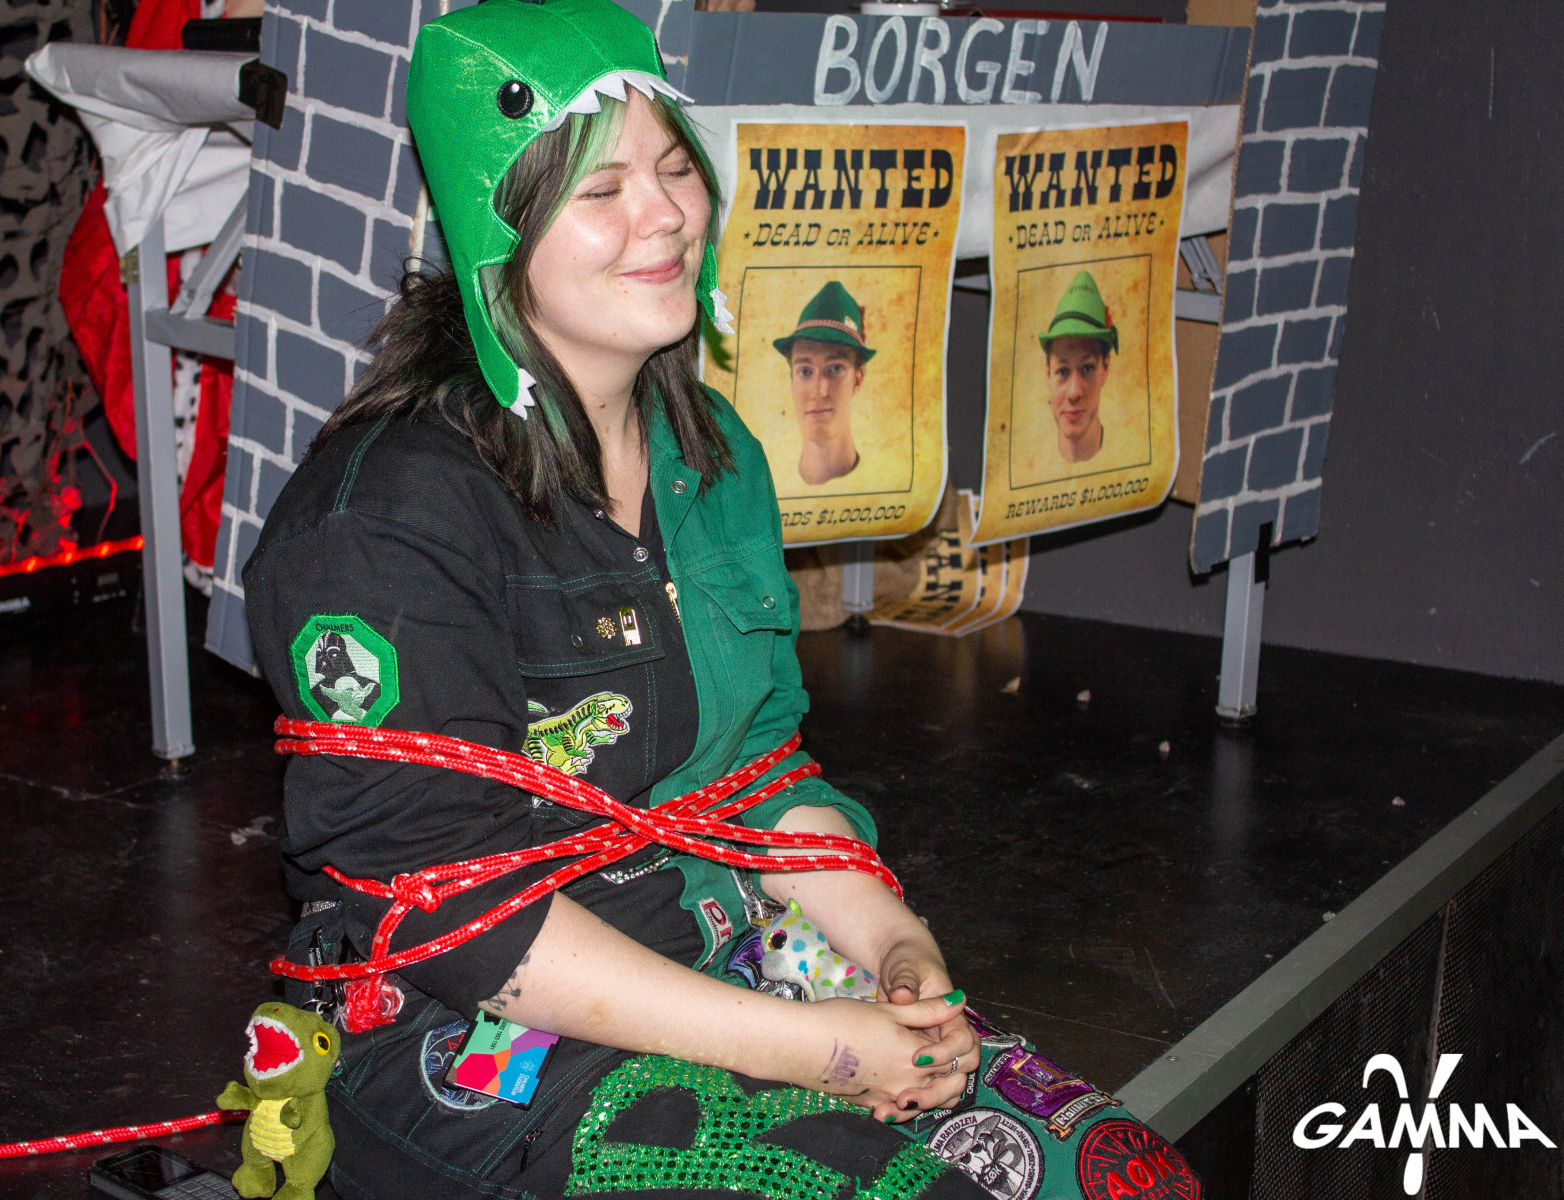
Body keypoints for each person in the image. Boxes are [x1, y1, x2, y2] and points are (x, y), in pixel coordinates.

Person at [243, 3, 1200, 1198]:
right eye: (602, 190)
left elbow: (756, 774)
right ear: (499, 228)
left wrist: (895, 948)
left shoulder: (712, 456)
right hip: (475, 1040)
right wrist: (822, 1050)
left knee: (1119, 1179)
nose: (665, 216)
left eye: (676, 168)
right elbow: (453, 913)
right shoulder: (384, 519)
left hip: (719, 950)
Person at [775, 280, 874, 486]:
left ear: (857, 380)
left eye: (835, 369)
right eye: (805, 371)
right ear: (791, 381)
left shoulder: (884, 479)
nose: (819, 391)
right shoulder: (766, 480)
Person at [1037, 270, 1118, 465]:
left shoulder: (1129, 455)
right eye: (1063, 371)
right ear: (1048, 373)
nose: (1074, 392)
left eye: (1087, 369)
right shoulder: (1031, 464)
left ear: (1105, 367)